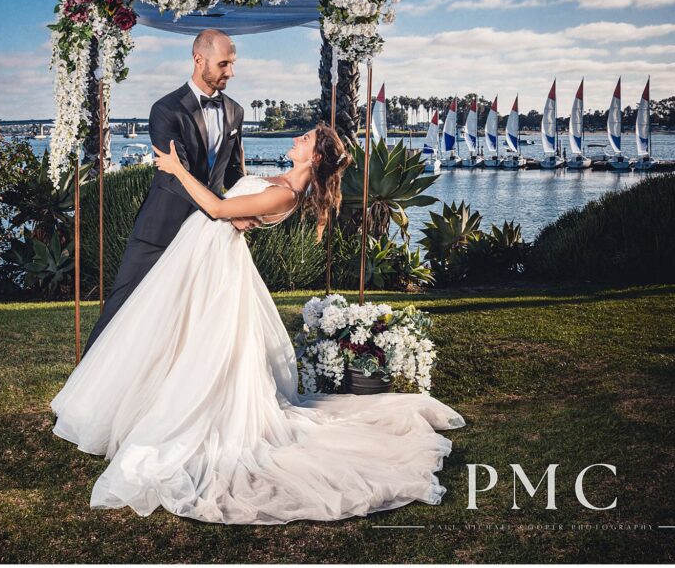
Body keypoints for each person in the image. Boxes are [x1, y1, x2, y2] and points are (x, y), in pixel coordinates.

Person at [50, 121, 466, 525]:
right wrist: (240, 207)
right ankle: (144, 402)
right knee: (169, 333)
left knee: (196, 342)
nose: (296, 138)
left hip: (211, 261)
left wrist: (178, 172)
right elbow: (234, 203)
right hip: (203, 252)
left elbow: (215, 208)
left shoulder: (287, 194)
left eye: (304, 138)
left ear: (316, 155)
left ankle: (174, 415)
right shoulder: (284, 181)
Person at [81, 28, 254, 358]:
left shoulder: (236, 111)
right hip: (160, 231)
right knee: (120, 310)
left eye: (232, 64)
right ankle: (79, 396)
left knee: (193, 320)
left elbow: (234, 173)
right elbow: (177, 174)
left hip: (208, 236)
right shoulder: (165, 110)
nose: (230, 72)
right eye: (223, 64)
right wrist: (221, 209)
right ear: (198, 59)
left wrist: (247, 206)